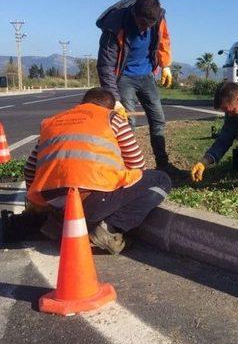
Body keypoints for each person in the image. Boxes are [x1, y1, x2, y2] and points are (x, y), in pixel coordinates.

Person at [24, 88, 171, 254]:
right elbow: (137, 164)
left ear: (82, 103)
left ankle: (59, 222)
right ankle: (107, 231)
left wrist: (38, 205)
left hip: (54, 203)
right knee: (160, 179)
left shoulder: (51, 122)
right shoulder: (112, 118)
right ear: (109, 107)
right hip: (91, 202)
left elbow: (29, 169)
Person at [96, 0, 176, 172]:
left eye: (148, 26)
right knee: (127, 123)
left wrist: (166, 66)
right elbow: (105, 65)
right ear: (133, 13)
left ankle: (163, 165)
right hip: (124, 78)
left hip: (147, 75)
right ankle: (125, 169)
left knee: (158, 119)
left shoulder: (158, 18)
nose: (143, 30)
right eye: (141, 24)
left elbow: (164, 40)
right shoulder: (113, 27)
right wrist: (115, 99)